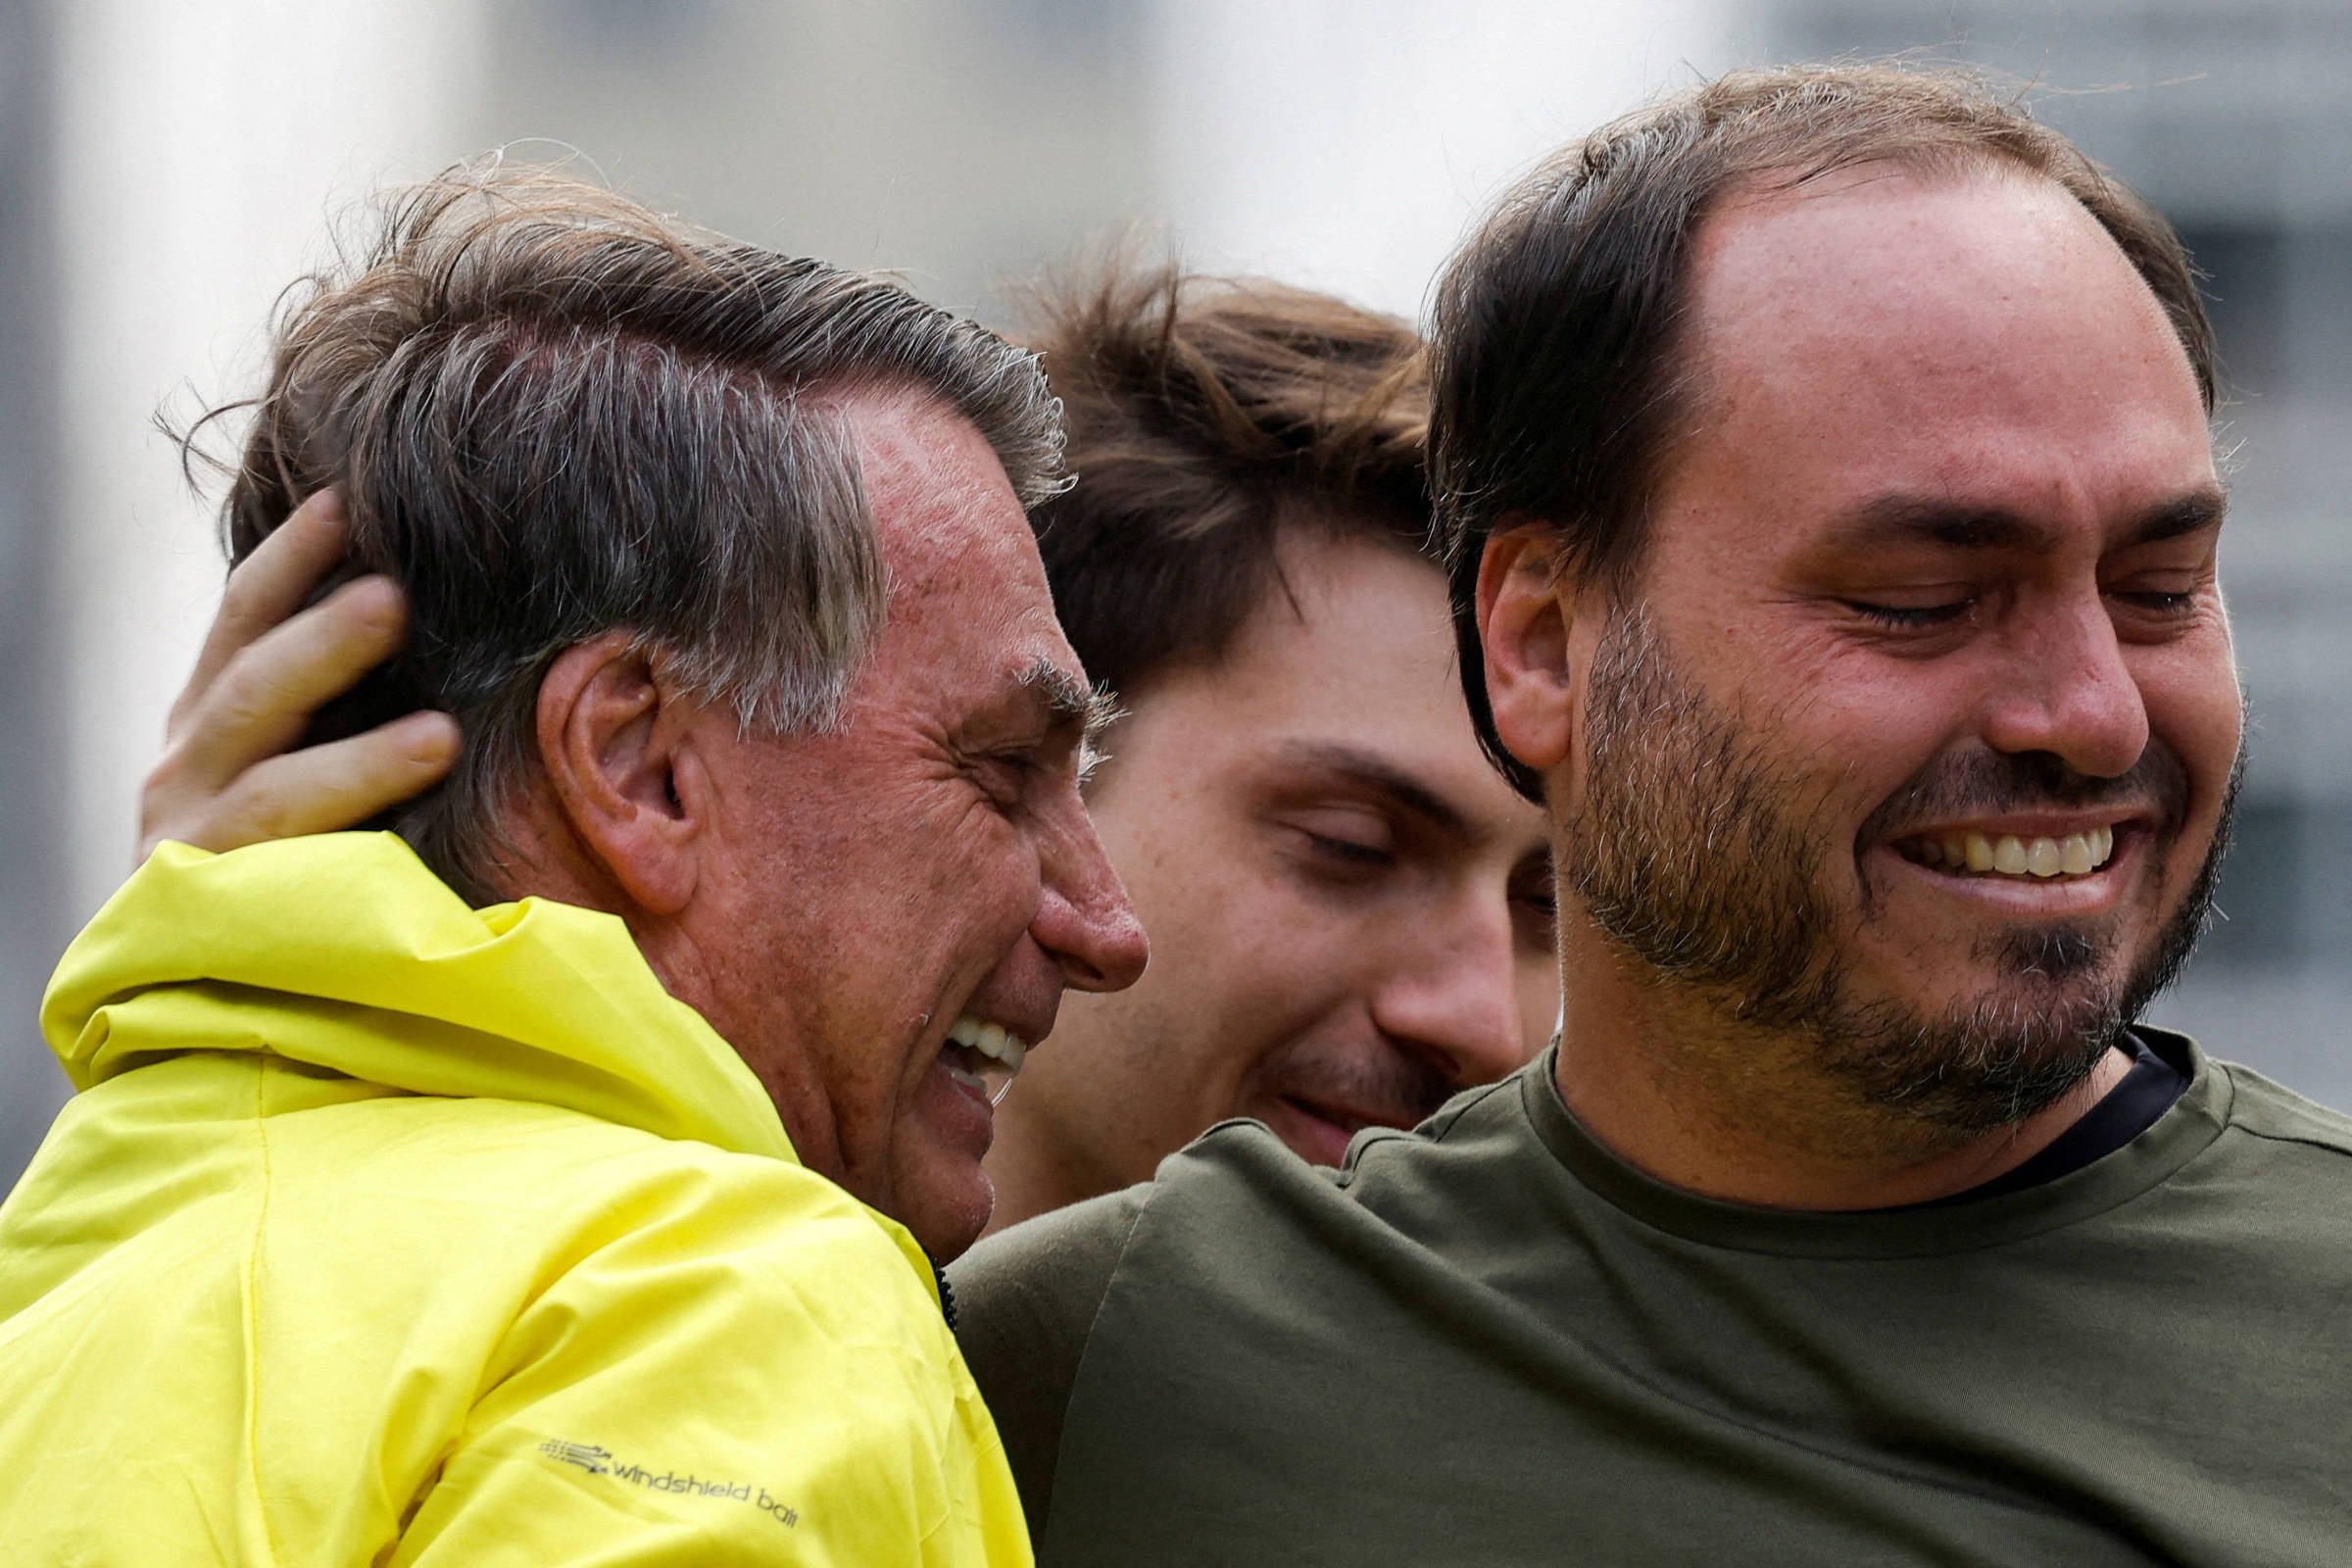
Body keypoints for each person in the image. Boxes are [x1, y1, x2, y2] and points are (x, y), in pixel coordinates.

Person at [946, 63, 2352, 1564]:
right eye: (1923, 601)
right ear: (1542, 643)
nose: (2092, 714)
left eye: (2159, 592)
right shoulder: (1077, 1369)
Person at [0, 167, 1146, 1564]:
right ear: (637, 766)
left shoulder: (60, 1293)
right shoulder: (715, 1300)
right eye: (1000, 770)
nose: (1105, 923)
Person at [136, 262, 1560, 1245]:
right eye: (1353, 850)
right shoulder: (543, 1350)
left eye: (1554, 903)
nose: (1483, 1021)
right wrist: (241, 1036)